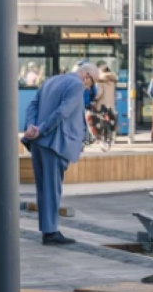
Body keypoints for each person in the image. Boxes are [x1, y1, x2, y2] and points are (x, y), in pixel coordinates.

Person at [23, 63, 100, 244]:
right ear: (87, 76)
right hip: (55, 142)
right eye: (92, 84)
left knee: (43, 188)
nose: (89, 88)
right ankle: (50, 232)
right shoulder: (76, 85)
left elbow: (32, 105)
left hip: (38, 143)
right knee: (52, 188)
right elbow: (63, 112)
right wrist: (41, 129)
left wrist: (30, 127)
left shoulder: (52, 80)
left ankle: (47, 229)